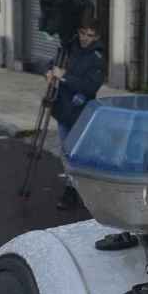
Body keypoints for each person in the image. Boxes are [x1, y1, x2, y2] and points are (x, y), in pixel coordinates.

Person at [46, 17, 105, 211]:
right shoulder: (70, 48)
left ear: (96, 36)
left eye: (90, 35)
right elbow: (52, 63)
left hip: (81, 112)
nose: (85, 38)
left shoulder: (97, 57)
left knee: (78, 153)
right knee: (66, 151)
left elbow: (89, 87)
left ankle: (75, 190)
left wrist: (64, 77)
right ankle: (74, 187)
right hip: (63, 108)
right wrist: (49, 72)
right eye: (82, 33)